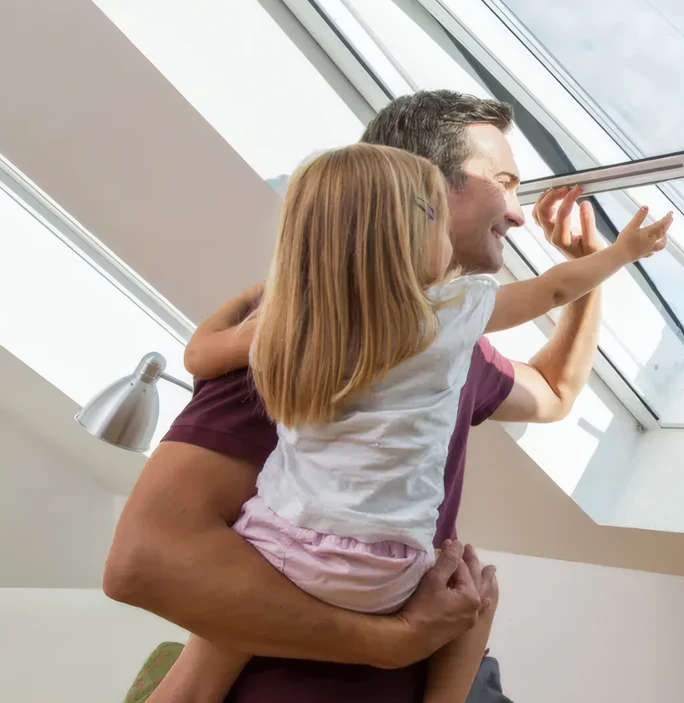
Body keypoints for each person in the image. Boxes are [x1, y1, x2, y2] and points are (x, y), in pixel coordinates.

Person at [104, 91, 612, 702]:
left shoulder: (452, 344)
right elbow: (144, 561)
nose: (519, 213)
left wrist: (589, 276)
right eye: (502, 182)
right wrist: (387, 641)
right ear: (422, 188)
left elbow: (554, 393)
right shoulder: (314, 334)